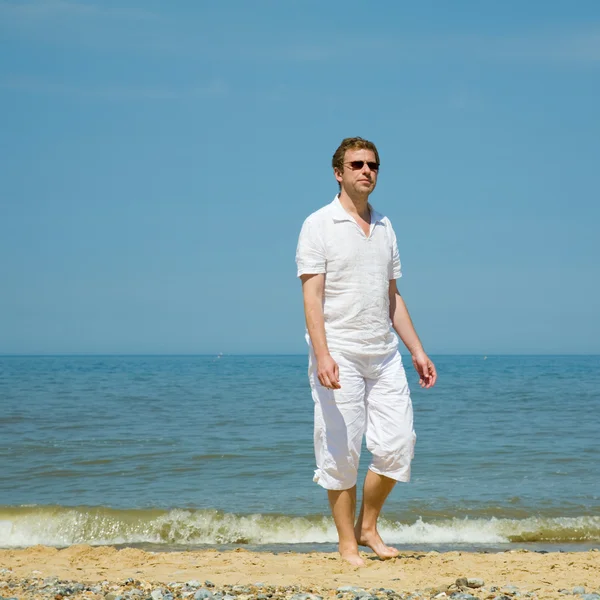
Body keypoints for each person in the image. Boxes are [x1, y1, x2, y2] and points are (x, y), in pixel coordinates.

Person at [295, 137, 437, 566]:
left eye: (372, 165)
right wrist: (323, 355)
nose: (366, 171)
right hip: (339, 351)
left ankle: (367, 526)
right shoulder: (318, 225)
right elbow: (311, 298)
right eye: (356, 165)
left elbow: (392, 296)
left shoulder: (385, 226)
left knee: (397, 445)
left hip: (384, 354)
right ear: (338, 172)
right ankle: (346, 544)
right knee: (340, 451)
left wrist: (417, 349)